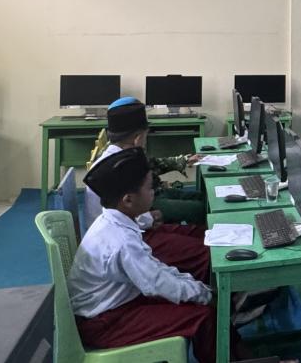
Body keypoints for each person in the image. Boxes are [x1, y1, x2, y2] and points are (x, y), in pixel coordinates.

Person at [70, 148, 217, 362]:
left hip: (114, 304)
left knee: (193, 299)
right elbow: (156, 282)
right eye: (149, 188)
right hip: (104, 322)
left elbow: (156, 269)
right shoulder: (122, 242)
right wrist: (205, 295)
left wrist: (195, 287)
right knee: (203, 316)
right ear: (128, 200)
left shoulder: (112, 222)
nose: (154, 192)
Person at [82, 97, 209, 279]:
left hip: (119, 232)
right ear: (138, 138)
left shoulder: (116, 158)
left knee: (201, 231)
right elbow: (120, 219)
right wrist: (148, 218)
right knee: (203, 244)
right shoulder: (121, 166)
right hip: (127, 238)